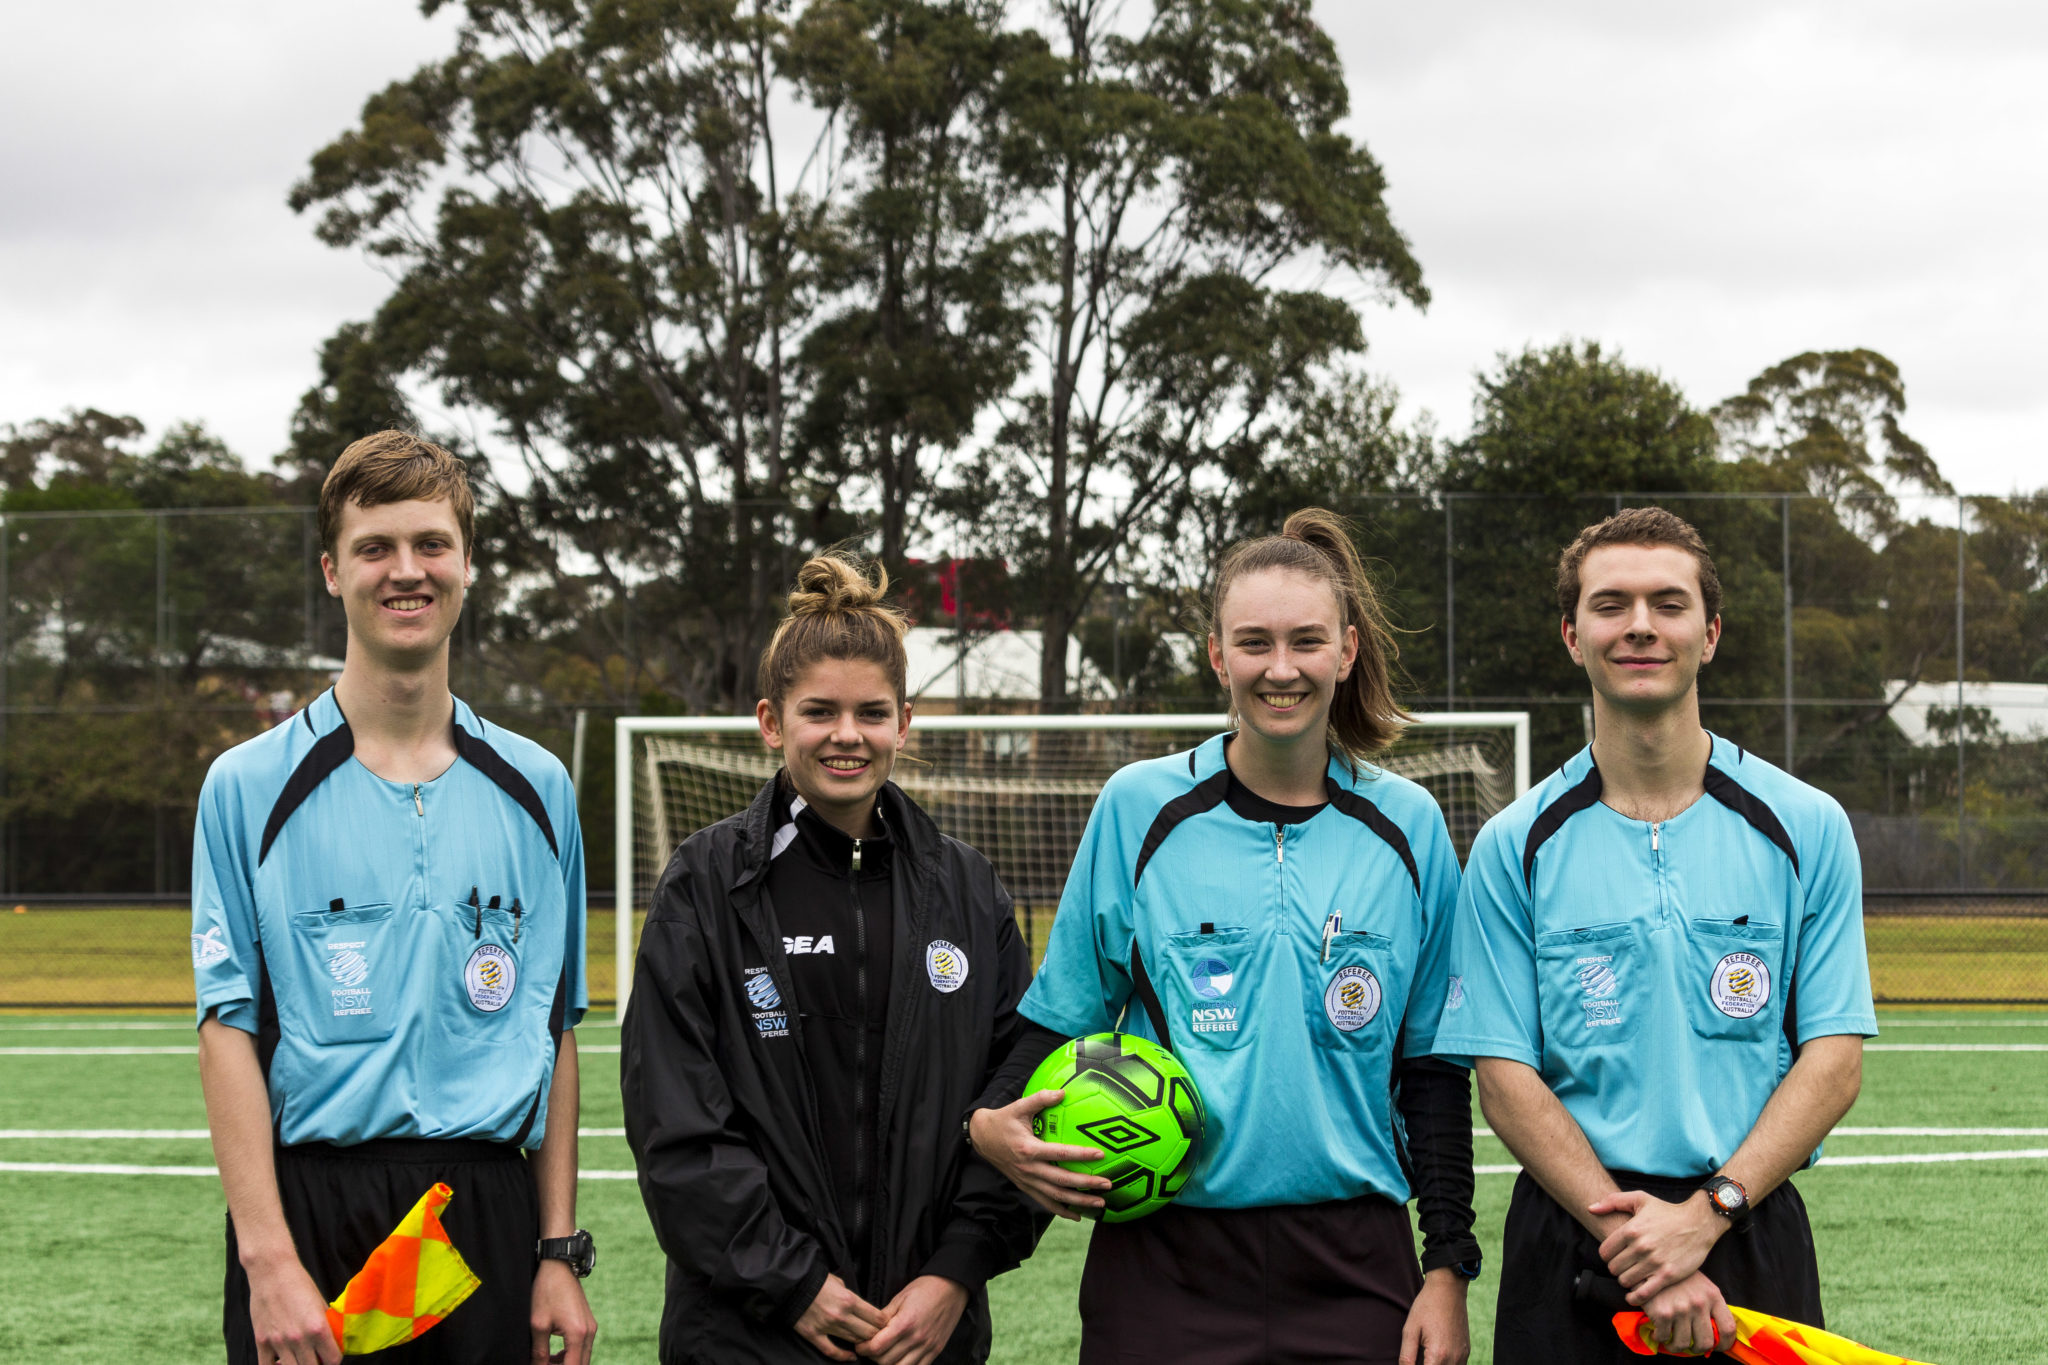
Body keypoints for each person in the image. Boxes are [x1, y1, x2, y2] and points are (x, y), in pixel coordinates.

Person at [968, 509, 1481, 1365]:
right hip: (1166, 1263)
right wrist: (988, 1119)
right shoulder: (1140, 807)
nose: (1281, 669)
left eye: (1306, 641)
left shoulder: (1410, 826)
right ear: (1217, 655)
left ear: (1346, 652)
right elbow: (1062, 1013)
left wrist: (1448, 1268)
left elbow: (1431, 1072)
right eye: (1254, 643)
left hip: (1357, 1265)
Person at [191, 431, 597, 1365]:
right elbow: (226, 1029)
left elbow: (556, 1031)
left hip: (489, 1212)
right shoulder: (246, 785)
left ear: (467, 565)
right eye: (375, 547)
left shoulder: (540, 786)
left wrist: (557, 1249)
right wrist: (268, 1258)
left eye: (430, 544)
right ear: (333, 571)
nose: (405, 571)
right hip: (313, 1214)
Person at [1435, 507, 1876, 1363]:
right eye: (1611, 604)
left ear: (1709, 634)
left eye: (1668, 604)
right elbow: (1503, 1076)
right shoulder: (1510, 845)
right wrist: (1643, 1246)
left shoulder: (1808, 824)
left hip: (1747, 1224)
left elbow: (1834, 1060)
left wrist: (1705, 1217)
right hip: (1576, 1233)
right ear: (1572, 634)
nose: (1640, 624)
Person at [620, 552, 1044, 1365]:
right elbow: (675, 1120)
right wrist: (792, 1283)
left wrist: (954, 1273)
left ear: (904, 724)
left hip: (924, 1335)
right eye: (819, 711)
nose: (847, 735)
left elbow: (1020, 1086)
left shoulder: (966, 887)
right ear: (772, 722)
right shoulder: (706, 883)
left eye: (871, 713)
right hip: (746, 1334)